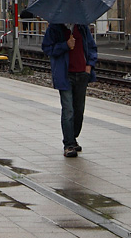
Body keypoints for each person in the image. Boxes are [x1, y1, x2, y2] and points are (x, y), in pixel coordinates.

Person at [41, 22, 98, 157]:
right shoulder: (54, 28)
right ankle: (69, 144)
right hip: (65, 75)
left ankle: (73, 137)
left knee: (79, 109)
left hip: (82, 73)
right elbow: (47, 48)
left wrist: (89, 65)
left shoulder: (82, 27)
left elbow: (91, 47)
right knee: (68, 110)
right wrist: (65, 45)